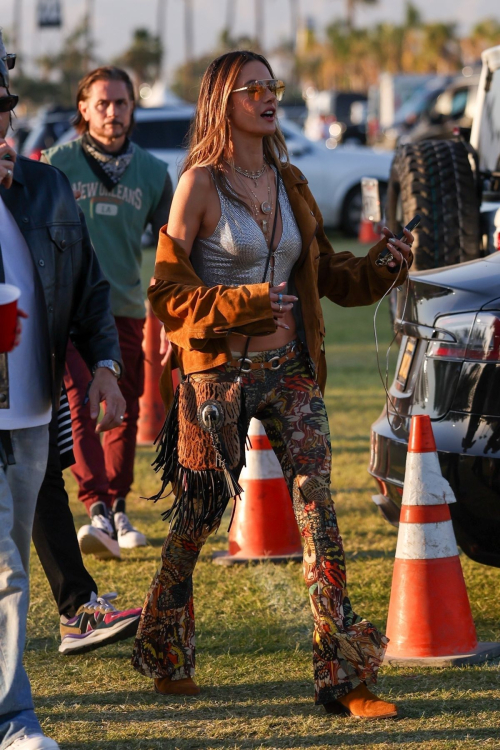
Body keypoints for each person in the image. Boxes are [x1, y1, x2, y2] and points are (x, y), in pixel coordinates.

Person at [131, 51, 414, 718]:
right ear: (220, 103)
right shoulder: (198, 184)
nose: (266, 97)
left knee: (322, 517)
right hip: (218, 379)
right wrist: (247, 304)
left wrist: (380, 265)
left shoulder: (292, 180)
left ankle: (344, 678)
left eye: (271, 86)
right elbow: (168, 294)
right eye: (250, 88)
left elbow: (327, 276)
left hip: (294, 373)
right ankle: (165, 652)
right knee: (197, 519)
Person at [0, 34, 127, 750]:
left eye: (4, 110)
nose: (0, 127)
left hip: (30, 418)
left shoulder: (46, 188)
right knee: (8, 575)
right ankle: (14, 720)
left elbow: (87, 288)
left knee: (8, 563)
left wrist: (105, 363)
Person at [42, 67, 173, 561]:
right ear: (83, 108)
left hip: (122, 307)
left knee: (124, 407)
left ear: (133, 108)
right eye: (103, 104)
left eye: (121, 103)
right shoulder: (55, 164)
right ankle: (95, 504)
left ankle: (118, 504)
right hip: (66, 311)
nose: (113, 113)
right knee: (78, 401)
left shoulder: (154, 172)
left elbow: (175, 247)